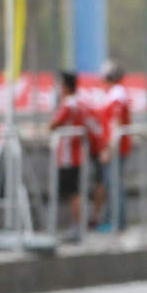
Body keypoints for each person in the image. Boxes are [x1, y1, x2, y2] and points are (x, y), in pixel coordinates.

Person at [49, 70, 102, 243]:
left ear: (64, 86)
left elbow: (54, 124)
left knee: (74, 192)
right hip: (78, 153)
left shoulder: (68, 104)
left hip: (68, 155)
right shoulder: (81, 102)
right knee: (76, 191)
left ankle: (76, 228)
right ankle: (77, 227)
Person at [92, 58, 133, 232]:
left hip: (116, 149)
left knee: (115, 186)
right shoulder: (114, 95)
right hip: (114, 147)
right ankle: (114, 220)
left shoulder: (117, 95)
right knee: (112, 184)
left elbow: (115, 125)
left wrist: (108, 149)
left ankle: (118, 223)